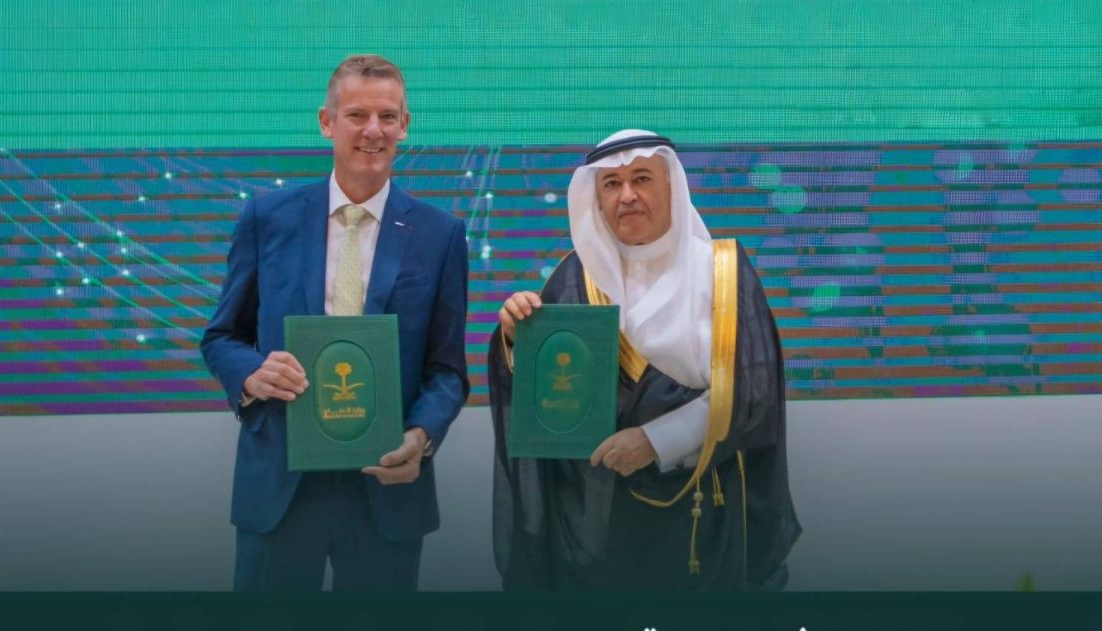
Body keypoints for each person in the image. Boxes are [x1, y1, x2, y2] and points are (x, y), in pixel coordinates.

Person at [201, 54, 468, 591]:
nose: (374, 130)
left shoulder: (440, 234)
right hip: (281, 483)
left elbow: (447, 370)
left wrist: (421, 437)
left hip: (386, 485)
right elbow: (222, 337)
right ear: (326, 122)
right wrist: (251, 374)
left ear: (405, 125)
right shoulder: (266, 218)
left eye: (388, 117)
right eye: (357, 115)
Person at [489, 129, 800, 590]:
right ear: (596, 199)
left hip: (702, 510)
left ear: (671, 186)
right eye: (612, 184)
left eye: (641, 179)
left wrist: (655, 441)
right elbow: (550, 397)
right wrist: (517, 339)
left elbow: (753, 394)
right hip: (601, 519)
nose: (627, 195)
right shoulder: (574, 278)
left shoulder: (722, 271)